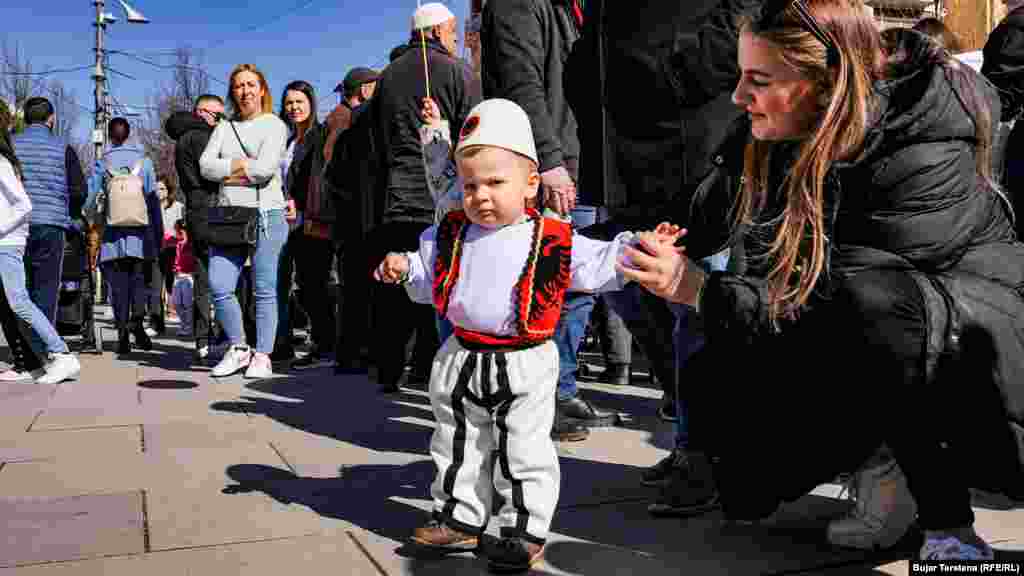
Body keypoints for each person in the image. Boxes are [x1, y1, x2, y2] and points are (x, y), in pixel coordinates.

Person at [619, 0, 1024, 561]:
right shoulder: (778, 130)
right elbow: (707, 227)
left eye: (759, 80)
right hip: (878, 323)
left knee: (875, 308)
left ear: (824, 82)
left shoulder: (921, 142)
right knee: (726, 410)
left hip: (981, 343)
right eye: (740, 76)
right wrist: (666, 243)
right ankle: (882, 458)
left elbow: (852, 307)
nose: (738, 97)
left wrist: (698, 290)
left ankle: (946, 524)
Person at [375, 99, 640, 572]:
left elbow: (597, 262)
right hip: (460, 357)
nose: (480, 196)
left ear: (531, 184)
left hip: (525, 361)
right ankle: (461, 517)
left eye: (495, 183)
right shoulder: (451, 234)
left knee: (523, 448)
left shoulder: (551, 236)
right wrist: (403, 268)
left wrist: (637, 250)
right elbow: (428, 275)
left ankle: (525, 528)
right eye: (470, 184)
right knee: (457, 442)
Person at [481, 0, 617, 442]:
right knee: (544, 289)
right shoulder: (518, 5)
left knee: (577, 289)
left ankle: (560, 389)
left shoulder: (573, 8)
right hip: (548, 168)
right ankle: (535, 403)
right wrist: (551, 161)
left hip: (584, 164)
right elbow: (523, 87)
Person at [366, 2, 481, 392]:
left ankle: (388, 369)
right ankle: (427, 370)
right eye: (451, 32)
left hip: (396, 194)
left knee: (398, 282)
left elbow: (375, 142)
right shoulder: (456, 71)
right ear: (434, 32)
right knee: (440, 282)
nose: (454, 40)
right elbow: (474, 132)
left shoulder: (386, 77)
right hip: (441, 196)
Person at [200, 64, 289, 379]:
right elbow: (205, 167)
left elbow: (266, 170)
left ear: (262, 89)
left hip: (268, 214)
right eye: (239, 86)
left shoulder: (274, 125)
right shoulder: (224, 128)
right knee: (220, 284)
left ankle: (263, 354)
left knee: (265, 289)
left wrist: (230, 171)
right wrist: (241, 166)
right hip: (230, 217)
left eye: (251, 84)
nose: (245, 90)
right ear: (232, 92)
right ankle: (238, 347)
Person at [0, 101, 81, 385]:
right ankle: (49, 358)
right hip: (50, 225)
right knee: (44, 293)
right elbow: (78, 189)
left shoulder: (10, 145)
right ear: (51, 119)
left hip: (14, 228)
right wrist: (70, 217)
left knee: (14, 296)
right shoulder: (63, 147)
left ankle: (26, 360)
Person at [87, 117, 163, 354]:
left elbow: (90, 198)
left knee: (118, 286)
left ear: (110, 135)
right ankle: (137, 323)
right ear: (128, 134)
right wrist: (157, 233)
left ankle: (122, 334)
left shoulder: (103, 162)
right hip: (141, 236)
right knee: (139, 282)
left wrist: (87, 218)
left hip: (112, 235)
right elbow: (152, 201)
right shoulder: (144, 162)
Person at [278, 80, 336, 370]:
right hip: (292, 222)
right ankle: (320, 342)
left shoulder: (318, 135)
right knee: (305, 284)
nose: (294, 108)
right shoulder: (290, 140)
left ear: (311, 104)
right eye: (289, 102)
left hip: (314, 221)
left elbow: (318, 179)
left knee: (315, 284)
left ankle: (326, 347)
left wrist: (301, 205)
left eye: (299, 101)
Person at [325, 67, 380, 376]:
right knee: (357, 290)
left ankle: (351, 354)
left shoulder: (346, 117)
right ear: (363, 89)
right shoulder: (345, 119)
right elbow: (332, 170)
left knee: (354, 289)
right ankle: (353, 355)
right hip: (354, 219)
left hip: (350, 219)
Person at [165, 94, 226, 362]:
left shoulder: (182, 140)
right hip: (213, 207)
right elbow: (214, 175)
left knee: (202, 276)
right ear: (202, 112)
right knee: (225, 274)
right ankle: (224, 336)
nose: (220, 121)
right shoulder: (203, 138)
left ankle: (202, 340)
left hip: (194, 209)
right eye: (217, 115)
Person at [171, 219, 195, 339]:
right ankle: (184, 323)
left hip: (189, 275)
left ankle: (188, 326)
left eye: (177, 230)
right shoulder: (178, 244)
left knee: (187, 303)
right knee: (176, 302)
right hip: (178, 275)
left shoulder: (190, 244)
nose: (175, 232)